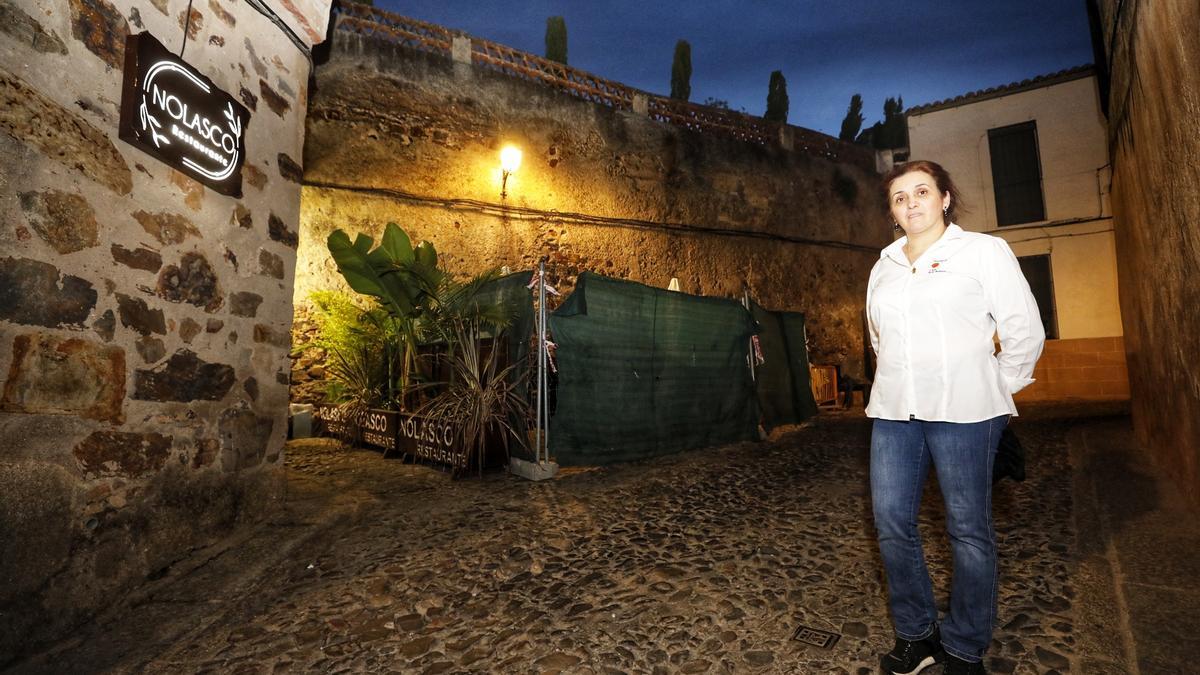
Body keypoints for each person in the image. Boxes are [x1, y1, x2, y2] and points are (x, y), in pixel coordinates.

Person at [865, 160, 1045, 675]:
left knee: (967, 529)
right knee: (892, 523)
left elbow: (1024, 332)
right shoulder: (884, 266)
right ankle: (917, 637)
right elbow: (879, 340)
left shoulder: (983, 252)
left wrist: (993, 388)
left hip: (966, 412)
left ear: (945, 198)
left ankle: (965, 646)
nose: (911, 204)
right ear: (893, 211)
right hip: (895, 411)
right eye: (900, 197)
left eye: (922, 192)